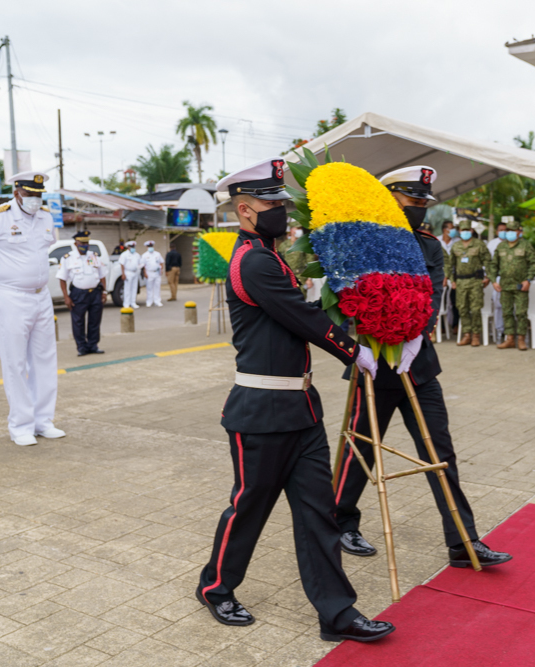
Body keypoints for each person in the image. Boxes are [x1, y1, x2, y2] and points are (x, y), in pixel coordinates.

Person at [196, 157, 393, 644]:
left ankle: (337, 612)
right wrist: (352, 349)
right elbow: (299, 316)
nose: (282, 211)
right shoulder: (254, 260)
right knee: (249, 508)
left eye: (283, 202)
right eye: (272, 203)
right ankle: (216, 587)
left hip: (302, 411)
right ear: (245, 211)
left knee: (317, 514)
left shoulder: (271, 256)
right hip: (261, 413)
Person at [334, 165, 513, 570]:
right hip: (373, 364)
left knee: (440, 451)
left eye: (422, 203)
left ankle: (463, 541)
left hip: (418, 364)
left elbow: (430, 298)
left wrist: (415, 335)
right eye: (412, 201)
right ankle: (339, 523)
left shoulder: (430, 246)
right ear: (390, 200)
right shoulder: (361, 242)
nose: (419, 209)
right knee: (359, 448)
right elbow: (347, 295)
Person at [0, 170, 66, 447]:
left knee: (45, 360)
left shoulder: (46, 216)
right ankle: (20, 425)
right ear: (16, 192)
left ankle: (43, 421)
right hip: (11, 297)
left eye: (38, 195)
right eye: (29, 194)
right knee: (15, 362)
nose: (34, 199)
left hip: (41, 296)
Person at [57, 230, 107, 357]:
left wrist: (104, 292)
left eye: (87, 243)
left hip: (95, 292)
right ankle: (81, 347)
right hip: (78, 293)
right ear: (75, 243)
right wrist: (66, 297)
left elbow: (102, 276)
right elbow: (62, 279)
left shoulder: (94, 256)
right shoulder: (68, 258)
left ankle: (93, 345)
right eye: (82, 243)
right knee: (78, 322)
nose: (85, 245)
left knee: (95, 321)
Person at [490, 219, 535, 351]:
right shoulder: (501, 247)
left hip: (521, 285)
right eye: (507, 230)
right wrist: (493, 280)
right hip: (504, 286)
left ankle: (521, 339)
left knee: (521, 313)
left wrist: (528, 279)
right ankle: (509, 339)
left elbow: (533, 264)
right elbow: (494, 265)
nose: (509, 233)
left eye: (512, 230)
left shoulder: (526, 245)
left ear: (518, 232)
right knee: (507, 312)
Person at [445, 219, 489, 347]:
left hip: (475, 281)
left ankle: (476, 335)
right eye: (462, 230)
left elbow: (488, 261)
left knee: (475, 309)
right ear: (459, 231)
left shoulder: (479, 244)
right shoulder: (456, 246)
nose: (465, 232)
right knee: (462, 309)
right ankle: (466, 335)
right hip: (460, 281)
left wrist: (488, 277)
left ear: (471, 230)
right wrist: (452, 280)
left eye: (467, 230)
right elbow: (449, 264)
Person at [487, 221, 508, 342]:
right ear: (496, 231)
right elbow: (489, 263)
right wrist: (491, 278)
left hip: (511, 279)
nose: (504, 232)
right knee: (498, 305)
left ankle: (509, 331)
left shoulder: (512, 243)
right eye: (501, 230)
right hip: (497, 278)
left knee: (511, 306)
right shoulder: (492, 244)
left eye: (505, 230)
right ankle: (499, 331)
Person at [140, 240, 164, 307]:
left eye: (151, 246)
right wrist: (145, 273)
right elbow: (143, 265)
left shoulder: (157, 254)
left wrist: (161, 270)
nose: (150, 247)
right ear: (146, 247)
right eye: (149, 246)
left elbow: (161, 262)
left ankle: (157, 301)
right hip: (149, 273)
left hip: (157, 273)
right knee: (149, 288)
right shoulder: (145, 255)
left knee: (157, 287)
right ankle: (149, 301)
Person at [120, 241, 141, 308]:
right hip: (128, 272)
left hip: (135, 272)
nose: (133, 248)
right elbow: (122, 264)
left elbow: (139, 263)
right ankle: (126, 303)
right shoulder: (124, 254)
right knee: (127, 288)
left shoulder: (137, 255)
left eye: (134, 247)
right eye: (131, 247)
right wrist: (123, 274)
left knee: (134, 288)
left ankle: (133, 302)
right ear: (128, 247)